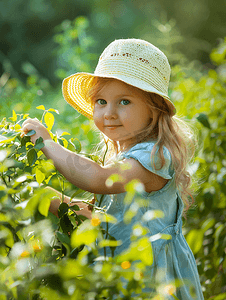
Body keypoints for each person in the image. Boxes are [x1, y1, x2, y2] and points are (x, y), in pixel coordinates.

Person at [21, 38, 204, 299]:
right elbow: (105, 220)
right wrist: (49, 198)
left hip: (153, 280)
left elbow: (98, 178)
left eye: (124, 102)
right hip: (120, 271)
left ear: (153, 109)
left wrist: (48, 144)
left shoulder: (155, 157)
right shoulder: (123, 154)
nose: (109, 113)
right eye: (101, 101)